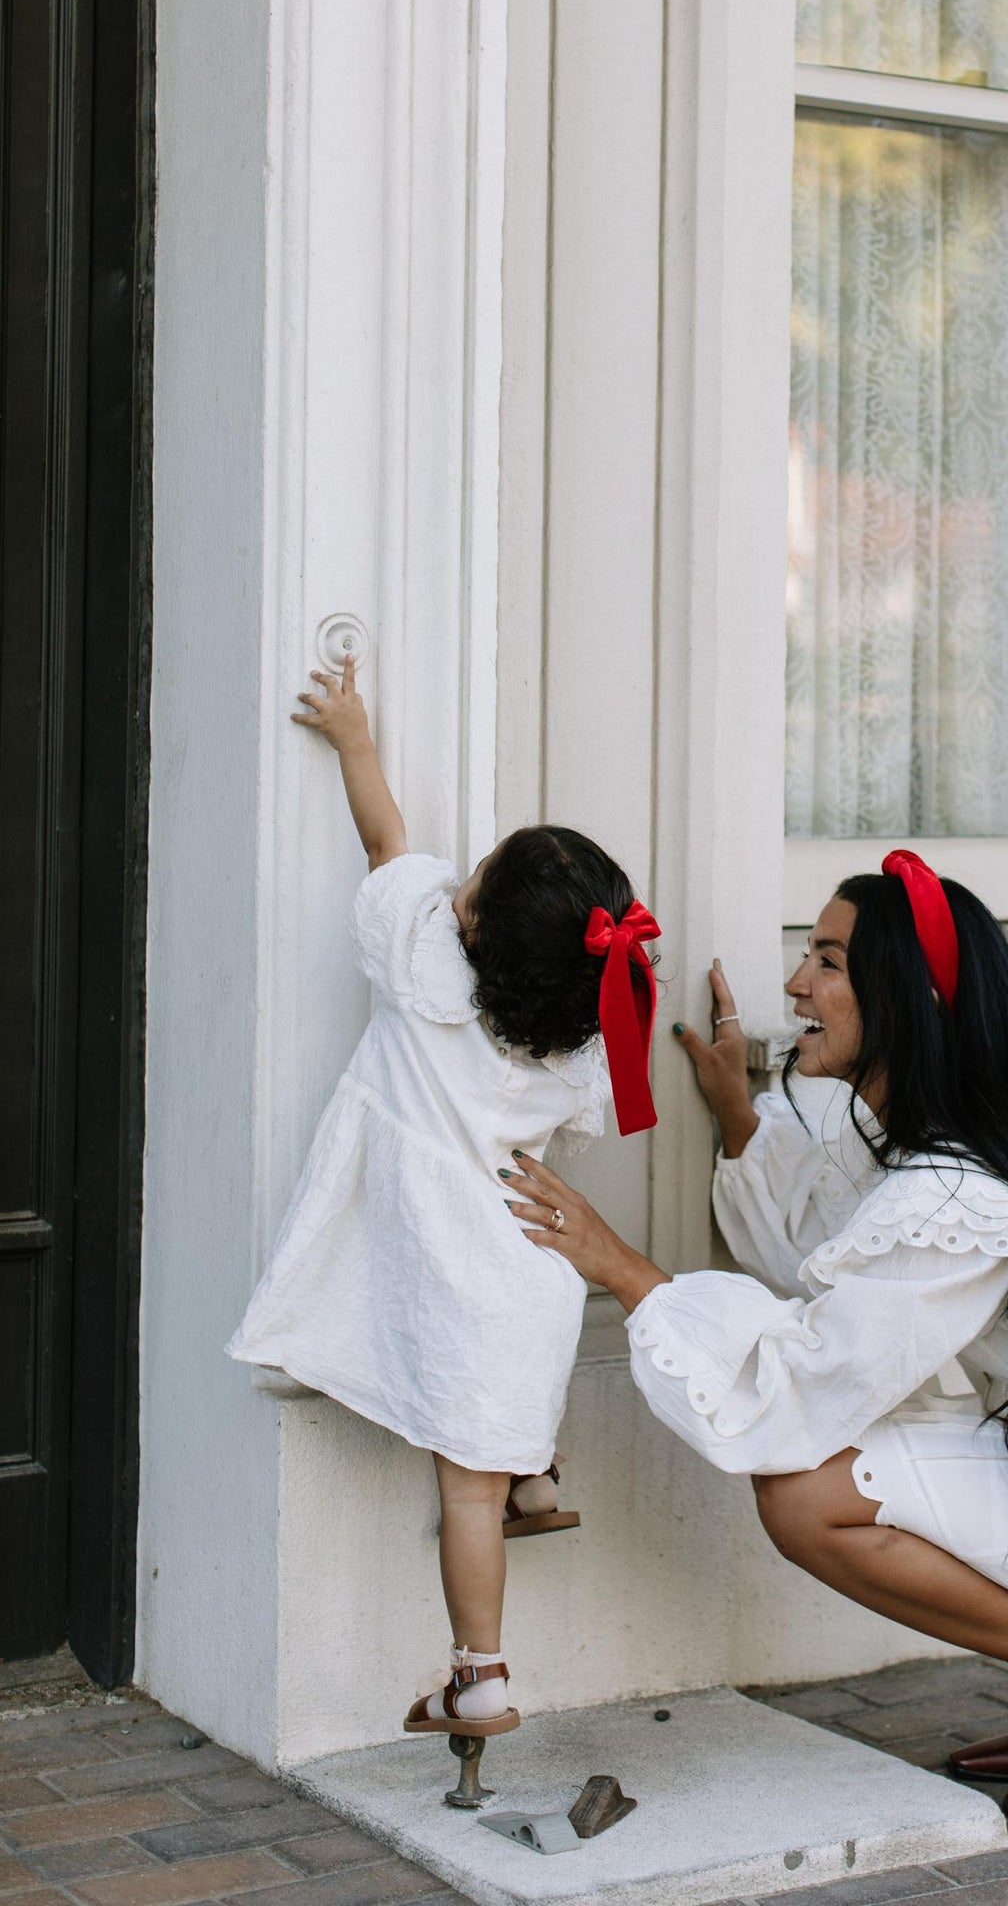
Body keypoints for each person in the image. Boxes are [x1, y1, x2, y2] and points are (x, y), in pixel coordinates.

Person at [498, 851, 1008, 1829]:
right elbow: (832, 1262)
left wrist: (623, 1267)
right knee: (848, 1474)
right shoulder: (998, 1134)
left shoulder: (959, 1186)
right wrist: (736, 1114)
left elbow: (807, 1376)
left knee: (808, 1496)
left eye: (828, 961)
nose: (795, 983)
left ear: (902, 995)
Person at [228, 655, 660, 1741]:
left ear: (471, 928)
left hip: (456, 1273)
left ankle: (480, 1675)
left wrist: (352, 736)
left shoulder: (423, 970)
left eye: (470, 879)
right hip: (529, 1271)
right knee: (496, 1440)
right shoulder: (586, 1038)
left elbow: (384, 843)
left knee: (457, 1488)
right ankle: (533, 1477)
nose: (452, 883)